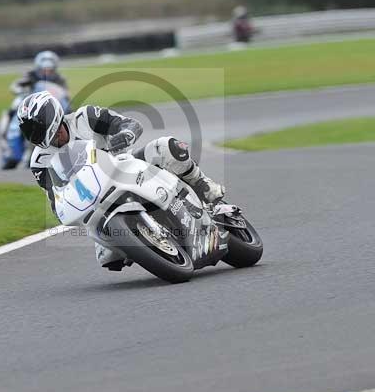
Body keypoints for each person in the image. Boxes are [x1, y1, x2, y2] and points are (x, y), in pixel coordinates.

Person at [17, 91, 225, 271]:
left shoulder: (85, 117)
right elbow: (55, 198)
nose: (34, 133)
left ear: (50, 115)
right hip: (96, 202)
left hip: (125, 167)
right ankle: (145, 241)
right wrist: (62, 207)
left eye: (36, 126)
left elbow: (127, 123)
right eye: (29, 130)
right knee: (108, 257)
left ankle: (203, 186)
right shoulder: (39, 161)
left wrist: (125, 134)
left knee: (168, 147)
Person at [0, 51, 70, 170]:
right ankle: (9, 147)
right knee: (13, 111)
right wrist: (21, 89)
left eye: (50, 69)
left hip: (49, 106)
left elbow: (65, 93)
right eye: (44, 69)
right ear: (38, 67)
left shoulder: (59, 79)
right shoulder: (30, 76)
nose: (47, 71)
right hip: (30, 105)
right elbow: (15, 86)